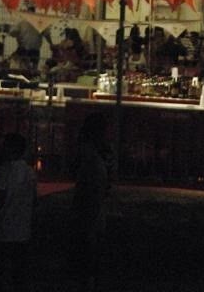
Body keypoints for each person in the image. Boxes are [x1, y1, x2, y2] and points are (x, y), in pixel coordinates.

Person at [0, 133, 37, 292]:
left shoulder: (4, 170)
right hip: (23, 230)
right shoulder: (30, 172)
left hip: (3, 230)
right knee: (19, 273)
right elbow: (34, 201)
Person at [72, 112, 112, 292]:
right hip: (94, 217)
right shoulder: (99, 162)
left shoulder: (91, 164)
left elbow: (90, 195)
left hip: (87, 217)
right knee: (91, 261)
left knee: (85, 260)